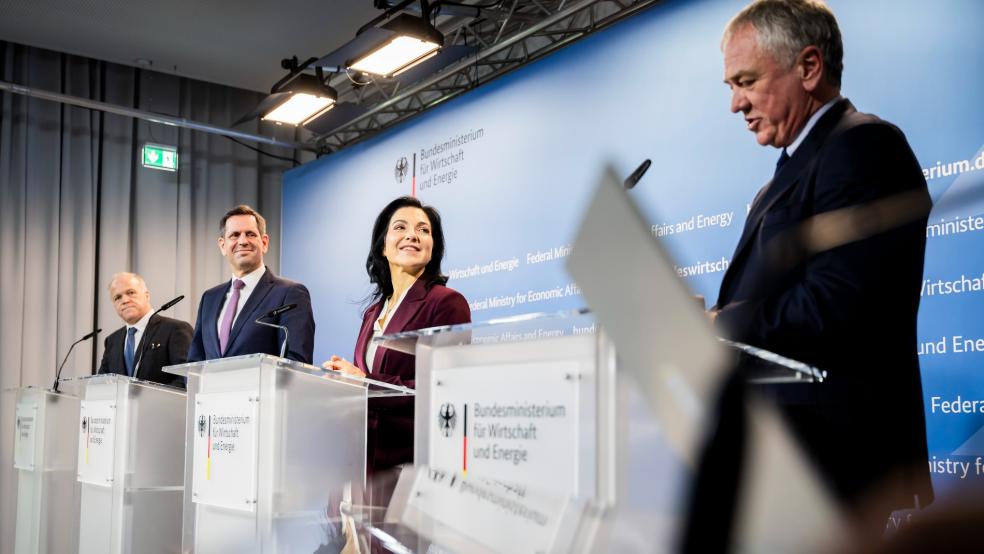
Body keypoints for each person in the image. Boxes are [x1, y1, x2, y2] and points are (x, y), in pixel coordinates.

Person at [710, 0, 932, 525]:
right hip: (779, 454)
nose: (735, 104)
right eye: (730, 87)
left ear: (809, 68)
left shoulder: (863, 146)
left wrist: (721, 324)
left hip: (833, 460)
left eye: (746, 81)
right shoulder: (780, 179)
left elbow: (838, 304)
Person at [323, 196, 470, 496]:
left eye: (423, 230)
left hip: (408, 470)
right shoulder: (373, 312)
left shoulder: (446, 303)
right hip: (361, 467)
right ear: (383, 246)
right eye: (400, 227)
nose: (412, 235)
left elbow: (444, 390)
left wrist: (364, 382)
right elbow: (364, 386)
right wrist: (343, 383)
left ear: (432, 249)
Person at [187, 204, 315, 364]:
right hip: (211, 390)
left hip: (263, 390)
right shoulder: (209, 298)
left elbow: (296, 362)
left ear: (264, 242)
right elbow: (194, 361)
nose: (242, 241)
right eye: (234, 235)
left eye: (250, 234)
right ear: (222, 246)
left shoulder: (290, 293)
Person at [98, 272, 192, 386]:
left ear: (147, 295)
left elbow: (187, 378)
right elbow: (101, 384)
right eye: (117, 297)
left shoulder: (175, 329)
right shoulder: (112, 341)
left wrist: (148, 400)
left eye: (130, 292)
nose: (125, 300)